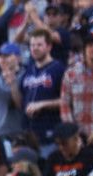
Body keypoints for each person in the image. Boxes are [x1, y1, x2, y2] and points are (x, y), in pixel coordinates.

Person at [17, 29, 65, 157]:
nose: (35, 48)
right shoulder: (28, 71)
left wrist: (42, 104)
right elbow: (21, 101)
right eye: (32, 45)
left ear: (49, 46)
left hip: (49, 133)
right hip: (29, 135)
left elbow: (67, 101)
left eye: (39, 45)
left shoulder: (58, 68)